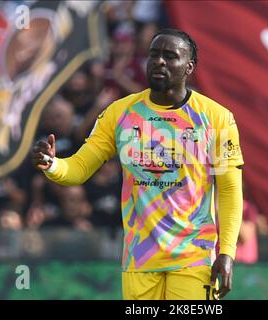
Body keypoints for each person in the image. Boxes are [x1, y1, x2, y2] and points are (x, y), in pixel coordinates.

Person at [31, 28, 244, 300]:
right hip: (140, 258)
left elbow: (229, 191)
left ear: (189, 67)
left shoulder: (217, 119)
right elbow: (79, 168)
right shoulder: (120, 113)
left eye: (170, 56)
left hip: (195, 256)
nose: (160, 62)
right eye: (154, 54)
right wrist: (52, 165)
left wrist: (226, 253)